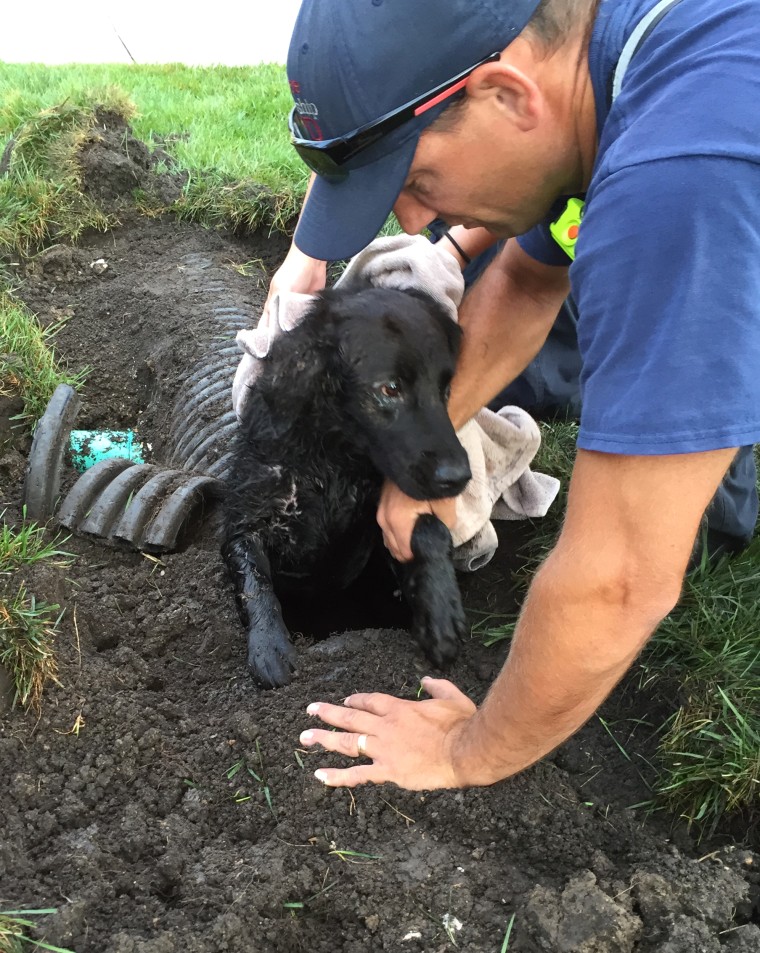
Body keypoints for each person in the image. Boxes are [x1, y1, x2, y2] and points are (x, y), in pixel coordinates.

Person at [268, 0, 760, 790]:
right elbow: (530, 280)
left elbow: (623, 576)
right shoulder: (616, 70)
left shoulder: (679, 172)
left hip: (705, 211)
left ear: (508, 95)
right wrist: (422, 456)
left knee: (700, 518)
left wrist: (466, 751)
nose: (415, 218)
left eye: (418, 178)